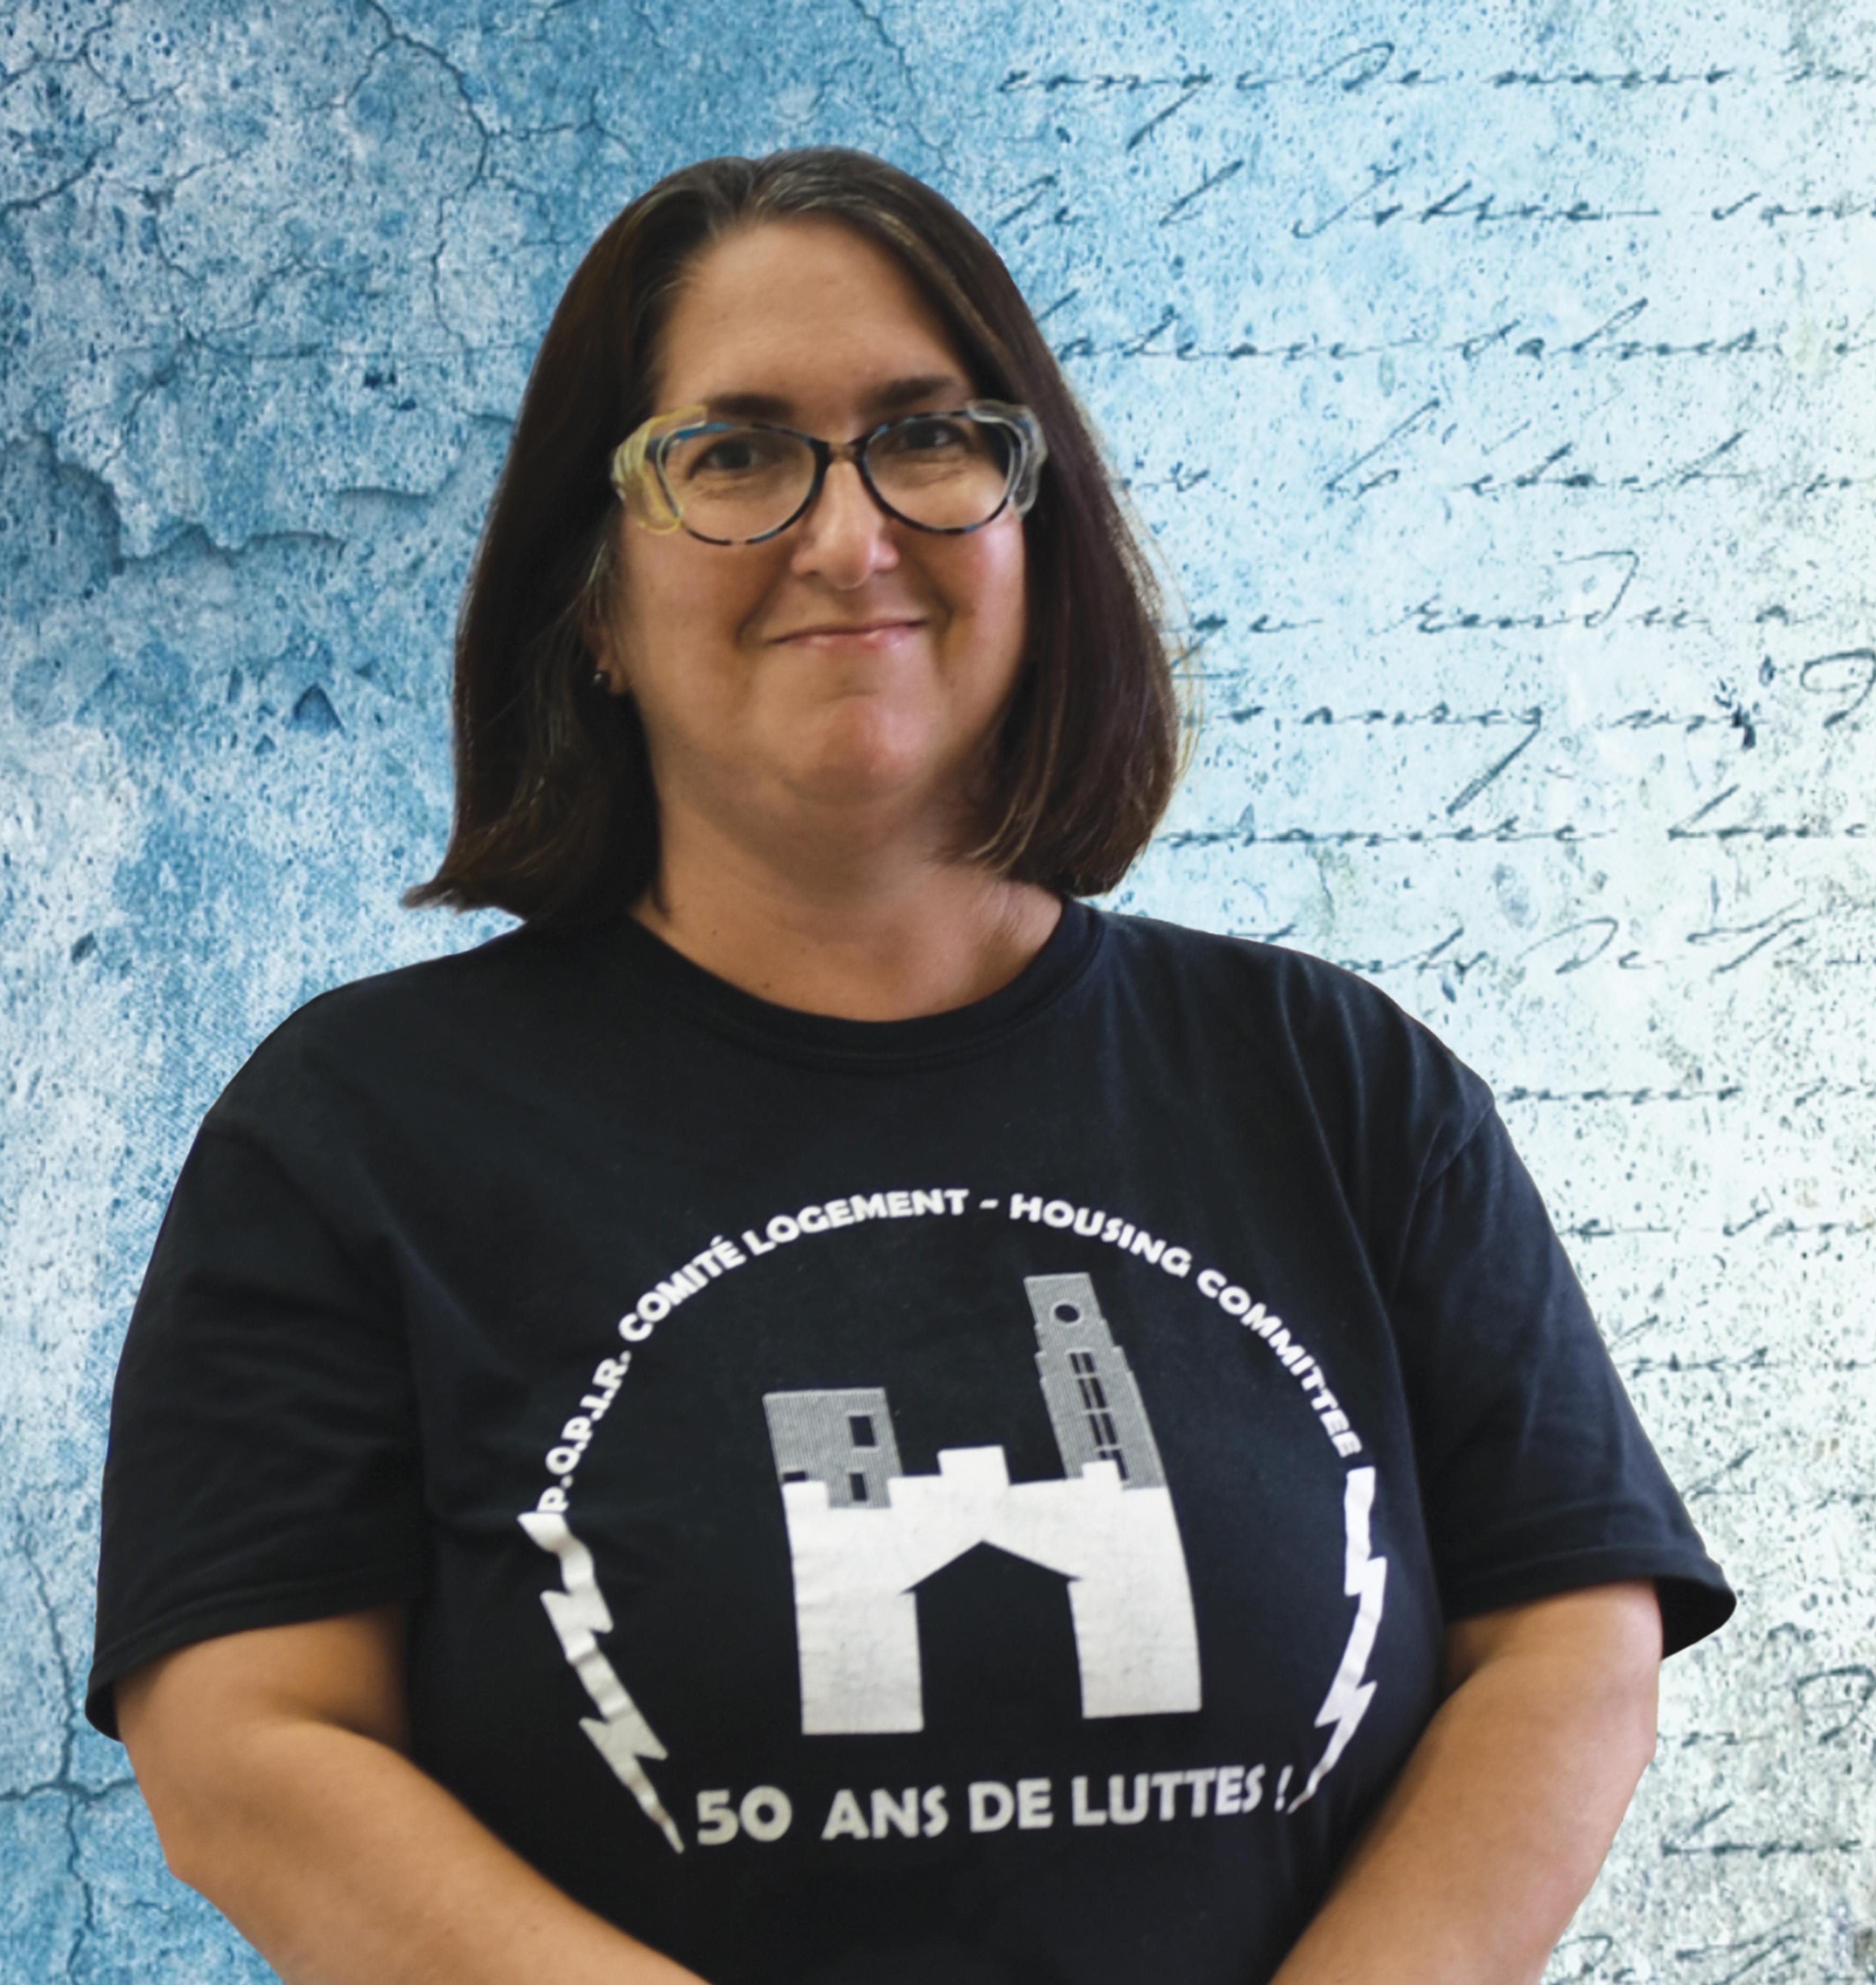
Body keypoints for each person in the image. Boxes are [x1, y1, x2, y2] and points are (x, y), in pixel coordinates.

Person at [88, 147, 1733, 1985]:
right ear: (596, 602)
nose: (848, 532)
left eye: (928, 438)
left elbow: (1568, 1645)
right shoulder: (358, 1135)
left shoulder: (1346, 1089)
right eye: (732, 454)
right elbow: (250, 1744)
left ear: (1038, 528)